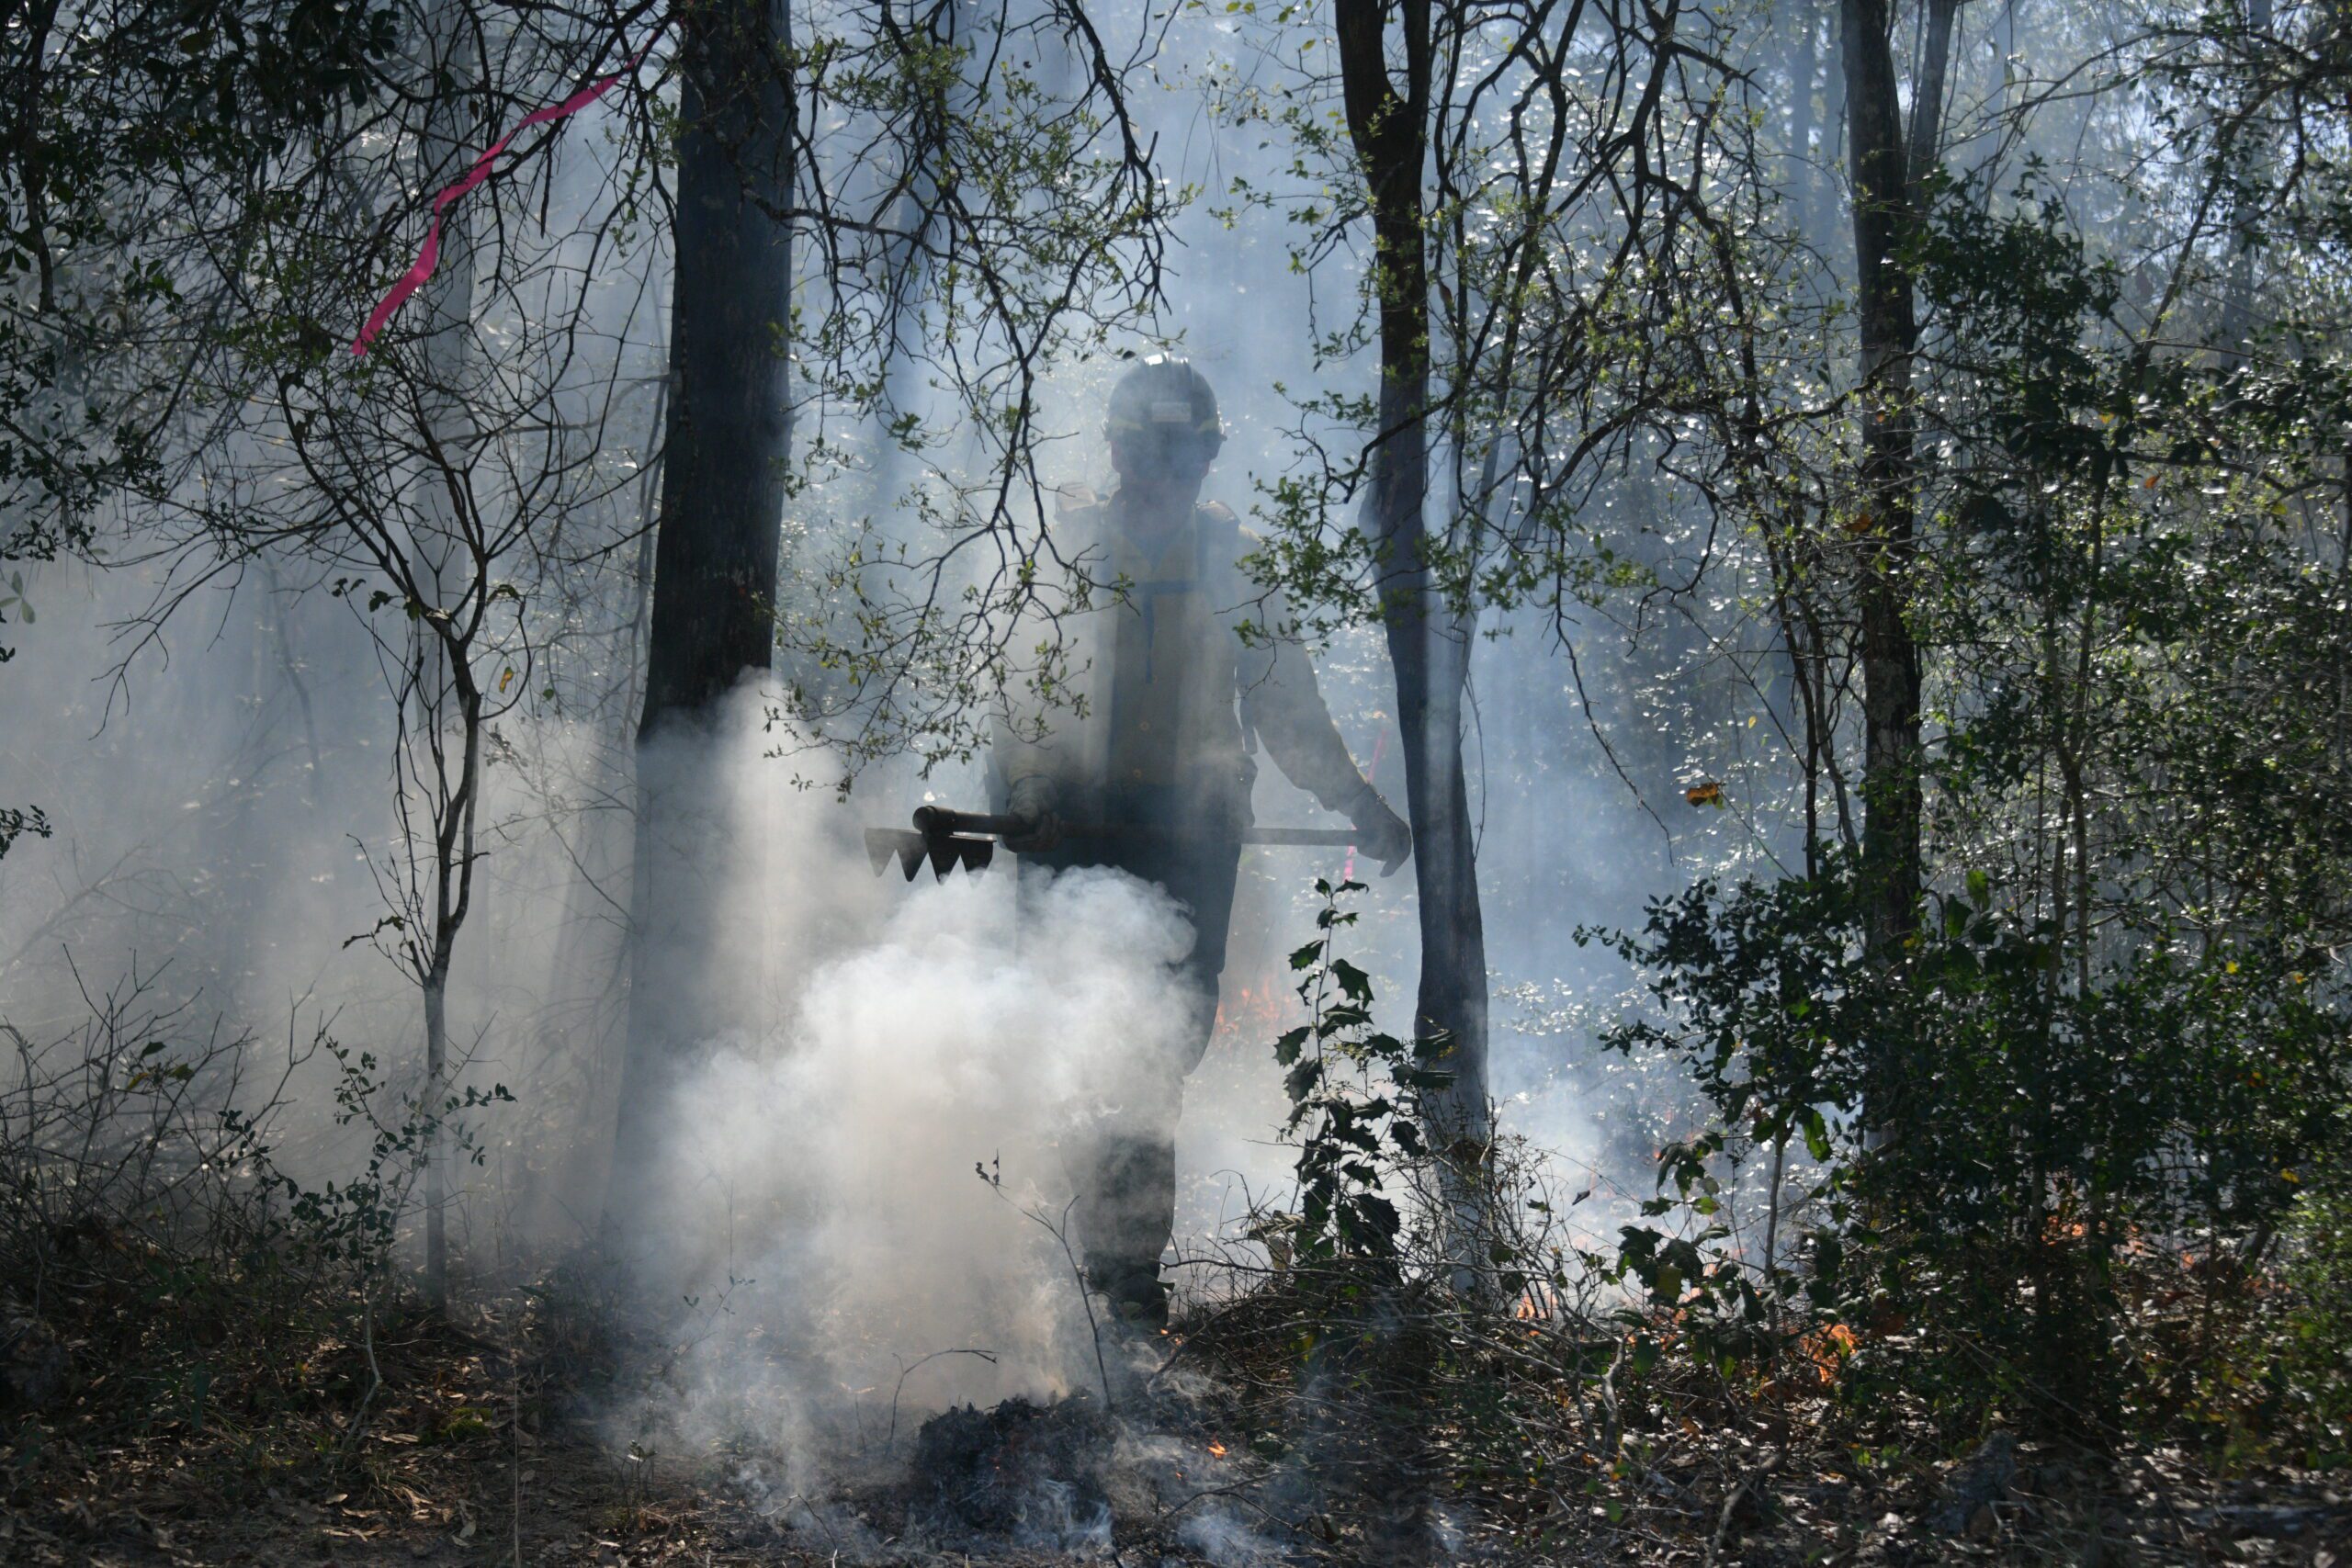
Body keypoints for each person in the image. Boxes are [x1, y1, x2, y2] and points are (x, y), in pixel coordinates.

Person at [989, 355, 1412, 1327]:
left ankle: (1126, 1281)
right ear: (1116, 447)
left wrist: (1358, 804)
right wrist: (1030, 791)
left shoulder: (1238, 562)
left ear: (1206, 459)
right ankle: (1054, 1265)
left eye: (1183, 455)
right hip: (1068, 833)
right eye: (1146, 450)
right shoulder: (1065, 550)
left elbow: (1285, 706)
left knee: (1157, 1050)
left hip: (1188, 842)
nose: (1163, 472)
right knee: (1071, 1044)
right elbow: (1018, 694)